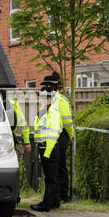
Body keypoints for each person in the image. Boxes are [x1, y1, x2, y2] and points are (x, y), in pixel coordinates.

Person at [41, 73, 75, 203]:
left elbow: (67, 120)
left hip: (60, 136)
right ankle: (54, 196)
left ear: (52, 86)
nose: (45, 88)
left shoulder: (61, 100)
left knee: (60, 166)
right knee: (52, 168)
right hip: (50, 136)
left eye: (47, 85)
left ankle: (62, 195)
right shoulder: (46, 99)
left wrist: (71, 135)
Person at [30, 87, 63, 212]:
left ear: (50, 99)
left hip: (50, 148)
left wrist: (47, 153)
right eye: (42, 98)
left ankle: (46, 205)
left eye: (46, 98)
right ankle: (55, 202)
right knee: (51, 177)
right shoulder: (43, 112)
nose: (43, 100)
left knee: (50, 178)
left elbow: (52, 134)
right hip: (43, 148)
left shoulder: (53, 113)